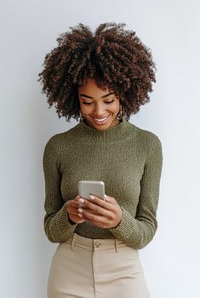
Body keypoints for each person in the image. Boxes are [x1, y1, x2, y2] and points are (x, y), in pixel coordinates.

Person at [39, 22, 163, 298]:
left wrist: (120, 221)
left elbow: (146, 229)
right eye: (87, 101)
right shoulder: (58, 147)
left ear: (125, 91)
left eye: (108, 99)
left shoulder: (147, 145)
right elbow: (51, 229)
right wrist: (69, 216)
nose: (99, 111)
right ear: (73, 99)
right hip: (69, 267)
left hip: (124, 270)